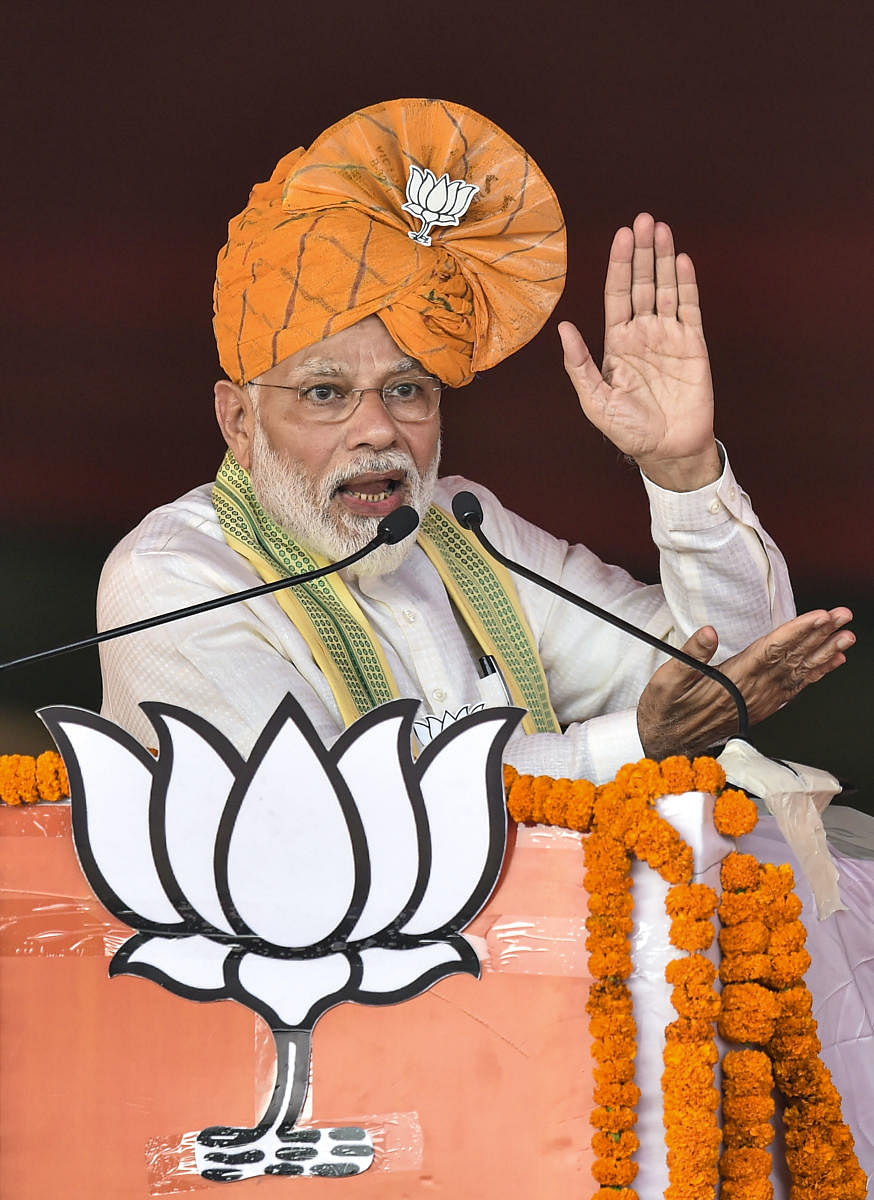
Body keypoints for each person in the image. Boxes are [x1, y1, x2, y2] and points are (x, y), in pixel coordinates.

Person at [98, 98, 854, 780]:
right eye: (326, 394)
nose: (378, 430)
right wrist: (628, 746)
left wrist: (681, 468)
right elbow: (317, 814)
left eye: (407, 390)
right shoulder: (170, 579)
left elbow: (736, 665)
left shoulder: (464, 529)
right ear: (239, 422)